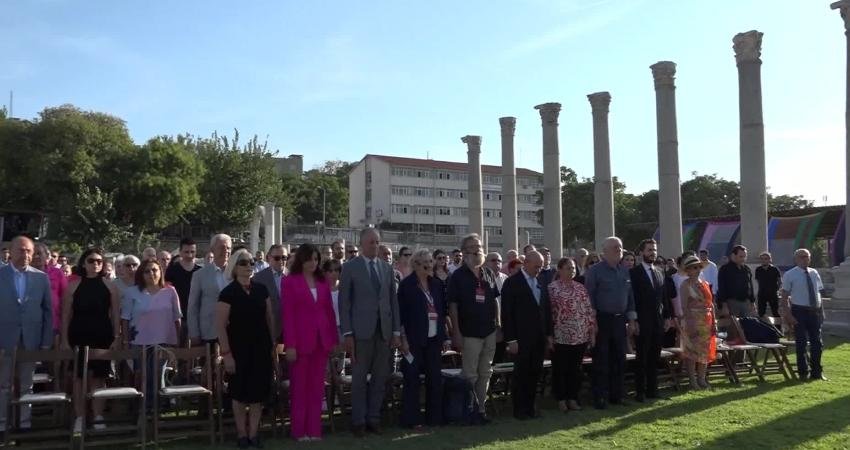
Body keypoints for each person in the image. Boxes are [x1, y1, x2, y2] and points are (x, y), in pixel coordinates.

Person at [339, 228, 401, 437]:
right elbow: (344, 303)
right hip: (360, 333)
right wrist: (347, 333)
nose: (374, 246)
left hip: (383, 332)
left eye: (377, 242)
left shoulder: (387, 268)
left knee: (379, 378)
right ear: (362, 244)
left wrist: (396, 332)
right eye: (371, 242)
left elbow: (393, 302)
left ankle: (374, 419)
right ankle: (358, 421)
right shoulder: (350, 268)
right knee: (358, 379)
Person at [216, 249, 274, 448]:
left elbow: (269, 319)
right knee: (239, 394)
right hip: (238, 350)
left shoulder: (261, 289)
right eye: (243, 263)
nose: (248, 266)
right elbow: (220, 326)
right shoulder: (227, 293)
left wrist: (272, 346)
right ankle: (242, 434)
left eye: (250, 262)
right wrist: (227, 355)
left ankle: (254, 433)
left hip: (261, 348)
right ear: (234, 267)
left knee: (258, 394)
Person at [281, 244, 339, 441]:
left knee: (316, 388)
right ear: (301, 260)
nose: (313, 263)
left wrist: (332, 340)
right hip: (300, 343)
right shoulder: (290, 282)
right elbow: (287, 316)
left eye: (316, 259)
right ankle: (299, 431)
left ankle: (314, 430)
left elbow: (329, 312)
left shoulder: (322, 281)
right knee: (299, 388)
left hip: (321, 342)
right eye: (309, 259)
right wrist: (290, 345)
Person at [61, 247, 120, 433]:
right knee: (79, 378)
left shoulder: (110, 286)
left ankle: (98, 415)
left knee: (99, 378)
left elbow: (116, 315)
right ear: (83, 263)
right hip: (78, 334)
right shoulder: (73, 286)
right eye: (91, 261)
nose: (95, 264)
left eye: (99, 261)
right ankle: (80, 416)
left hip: (102, 334)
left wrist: (117, 337)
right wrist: (64, 339)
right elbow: (66, 316)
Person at [0, 236, 53, 433]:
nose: (26, 255)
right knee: (3, 385)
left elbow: (48, 311)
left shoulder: (41, 278)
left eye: (29, 251)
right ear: (10, 252)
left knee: (27, 386)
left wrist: (46, 342)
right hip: (4, 340)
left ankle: (24, 424)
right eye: (21, 250)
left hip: (30, 339)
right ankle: (3, 423)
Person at [447, 234, 499, 425]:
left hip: (489, 331)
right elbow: (453, 307)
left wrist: (498, 324)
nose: (477, 250)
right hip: (468, 333)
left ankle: (481, 410)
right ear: (464, 252)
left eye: (479, 246)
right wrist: (456, 333)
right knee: (470, 374)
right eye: (472, 247)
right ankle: (468, 410)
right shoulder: (457, 277)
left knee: (486, 372)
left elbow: (494, 301)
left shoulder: (488, 273)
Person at [584, 237, 637, 410]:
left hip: (620, 320)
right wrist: (593, 323)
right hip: (602, 319)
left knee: (619, 358)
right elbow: (589, 297)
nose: (619, 250)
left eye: (620, 247)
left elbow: (630, 298)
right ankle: (600, 397)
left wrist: (632, 319)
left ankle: (617, 395)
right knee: (602, 359)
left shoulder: (624, 271)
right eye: (615, 247)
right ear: (604, 251)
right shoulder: (595, 271)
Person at [398, 249, 449, 429]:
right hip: (413, 340)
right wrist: (403, 339)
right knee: (412, 379)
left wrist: (444, 337)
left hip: (434, 340)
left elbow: (442, 312)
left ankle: (434, 418)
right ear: (416, 264)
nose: (430, 264)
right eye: (426, 261)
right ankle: (412, 419)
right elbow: (401, 316)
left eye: (430, 261)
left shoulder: (436, 284)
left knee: (434, 379)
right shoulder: (406, 286)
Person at [121, 259, 181, 400]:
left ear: (161, 272)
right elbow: (125, 318)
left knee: (157, 374)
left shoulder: (170, 291)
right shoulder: (131, 292)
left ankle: (158, 407)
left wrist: (178, 340)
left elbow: (177, 318)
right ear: (141, 274)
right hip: (139, 341)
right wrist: (124, 340)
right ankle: (143, 407)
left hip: (163, 341)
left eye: (154, 270)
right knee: (142, 375)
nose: (151, 273)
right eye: (147, 271)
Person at [501, 251, 550, 420]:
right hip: (521, 337)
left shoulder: (541, 281)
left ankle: (531, 407)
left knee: (535, 373)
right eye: (536, 266)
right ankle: (520, 409)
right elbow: (506, 313)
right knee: (521, 374)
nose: (539, 270)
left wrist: (548, 334)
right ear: (526, 263)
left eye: (541, 267)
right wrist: (511, 339)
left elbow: (546, 309)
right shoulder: (512, 282)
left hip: (539, 337)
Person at [547, 257, 595, 412]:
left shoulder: (581, 288)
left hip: (580, 335)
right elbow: (548, 313)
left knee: (576, 369)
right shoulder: (552, 288)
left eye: (573, 268)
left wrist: (591, 331)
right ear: (559, 270)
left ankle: (573, 398)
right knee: (561, 368)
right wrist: (549, 336)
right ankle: (561, 399)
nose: (572, 270)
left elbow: (588, 310)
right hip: (560, 335)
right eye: (568, 268)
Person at [629, 239, 672, 402]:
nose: (652, 252)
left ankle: (653, 390)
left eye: (654, 250)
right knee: (642, 357)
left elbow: (664, 297)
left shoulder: (660, 271)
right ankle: (640, 391)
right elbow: (632, 298)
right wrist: (635, 320)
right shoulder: (634, 273)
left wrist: (667, 316)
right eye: (649, 250)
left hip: (658, 321)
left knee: (655, 356)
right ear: (641, 253)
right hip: (642, 321)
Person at [781, 248, 827, 381]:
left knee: (817, 343)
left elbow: (818, 293)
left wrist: (821, 311)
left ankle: (817, 372)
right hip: (799, 311)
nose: (805, 259)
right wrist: (788, 315)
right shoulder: (790, 274)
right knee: (801, 343)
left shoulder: (814, 273)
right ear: (796, 259)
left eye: (807, 257)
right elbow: (784, 296)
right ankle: (803, 372)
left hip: (814, 311)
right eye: (802, 257)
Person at [678, 255, 717, 389]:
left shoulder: (705, 284)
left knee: (705, 352)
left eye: (699, 267)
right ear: (688, 270)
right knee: (692, 353)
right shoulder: (685, 285)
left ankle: (702, 379)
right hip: (692, 321)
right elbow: (684, 307)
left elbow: (711, 304)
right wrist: (690, 325)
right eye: (694, 267)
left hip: (707, 321)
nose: (698, 269)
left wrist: (714, 322)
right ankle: (692, 380)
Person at [188, 234, 232, 345]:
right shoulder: (199, 275)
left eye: (228, 248)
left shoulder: (236, 273)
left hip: (234, 330)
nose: (226, 251)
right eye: (222, 247)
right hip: (210, 332)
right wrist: (194, 333)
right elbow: (193, 306)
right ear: (212, 250)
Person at [165, 238, 202, 346]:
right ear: (180, 252)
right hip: (177, 316)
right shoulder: (172, 270)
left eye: (192, 252)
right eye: (186, 252)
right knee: (178, 348)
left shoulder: (200, 271)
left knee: (196, 351)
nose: (190, 255)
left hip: (196, 315)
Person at [32, 242, 67, 338]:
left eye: (39, 253)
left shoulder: (57, 273)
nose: (36, 256)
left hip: (52, 325)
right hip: (28, 326)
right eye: (33, 254)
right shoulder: (23, 274)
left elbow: (65, 299)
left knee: (48, 353)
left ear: (47, 256)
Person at [253, 244, 287, 343]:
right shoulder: (258, 278)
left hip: (289, 330)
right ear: (268, 258)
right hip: (267, 329)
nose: (281, 261)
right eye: (277, 258)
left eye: (284, 258)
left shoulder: (293, 277)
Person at [717, 245, 756, 317]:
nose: (743, 259)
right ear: (733, 255)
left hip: (745, 303)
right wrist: (724, 305)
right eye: (741, 256)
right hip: (731, 303)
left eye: (745, 256)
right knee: (733, 326)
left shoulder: (746, 269)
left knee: (747, 325)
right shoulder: (725, 269)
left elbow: (750, 286)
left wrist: (752, 302)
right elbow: (722, 288)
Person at [755, 252, 782, 318]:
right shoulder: (758, 270)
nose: (764, 260)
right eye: (762, 259)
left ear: (770, 260)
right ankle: (762, 327)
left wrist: (776, 290)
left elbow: (780, 281)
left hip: (772, 293)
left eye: (766, 259)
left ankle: (778, 328)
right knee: (761, 313)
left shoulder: (774, 269)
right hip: (762, 293)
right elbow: (758, 281)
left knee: (775, 312)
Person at [322, 259, 343, 338]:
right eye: (330, 271)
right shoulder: (320, 289)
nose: (334, 273)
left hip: (342, 328)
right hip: (326, 328)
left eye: (336, 270)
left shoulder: (344, 287)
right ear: (325, 272)